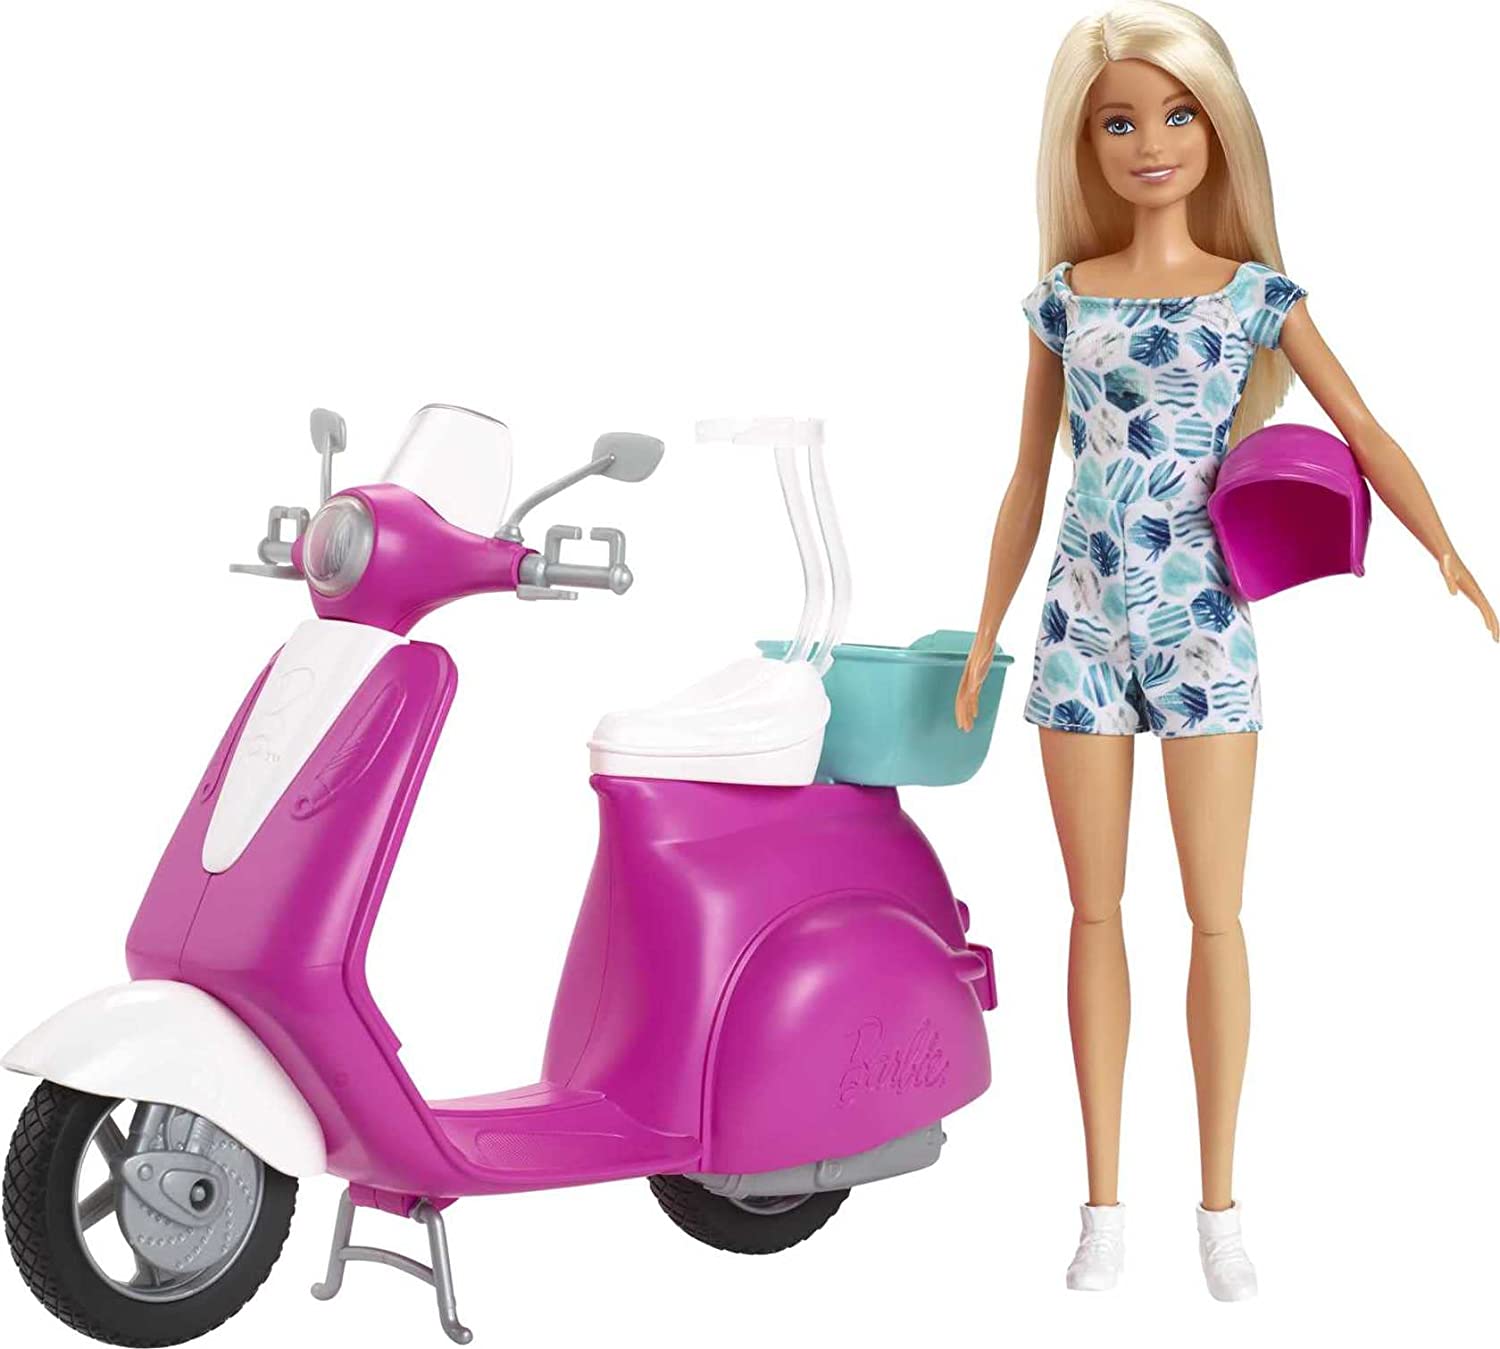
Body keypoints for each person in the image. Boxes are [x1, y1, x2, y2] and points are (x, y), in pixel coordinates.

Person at [953, 0, 1497, 1301]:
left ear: (1219, 129)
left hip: (1202, 623)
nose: (1151, 143)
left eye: (1177, 115)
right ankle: (1100, 1207)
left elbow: (1365, 429)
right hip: (1081, 625)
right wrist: (984, 630)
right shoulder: (1064, 299)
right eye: (1120, 122)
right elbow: (1028, 474)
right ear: (1084, 144)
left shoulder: (1254, 297)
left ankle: (1220, 1206)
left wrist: (1448, 551)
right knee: (1092, 913)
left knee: (1215, 915)